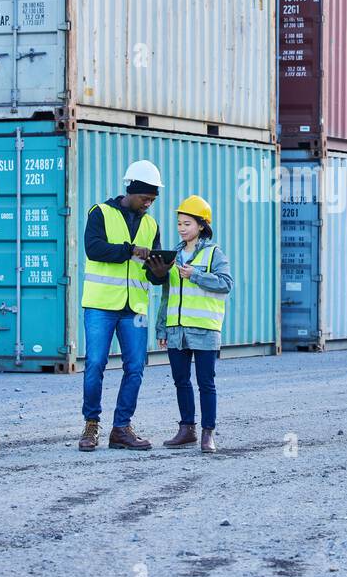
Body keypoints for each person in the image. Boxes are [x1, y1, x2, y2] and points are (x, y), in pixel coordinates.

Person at [79, 160, 171, 452]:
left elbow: (151, 274)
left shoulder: (151, 224)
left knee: (135, 367)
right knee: (95, 364)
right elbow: (93, 248)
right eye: (145, 199)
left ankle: (121, 428)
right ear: (131, 191)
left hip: (136, 308)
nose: (148, 205)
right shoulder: (100, 213)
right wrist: (130, 250)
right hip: (100, 305)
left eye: (153, 200)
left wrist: (159, 272)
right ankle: (91, 425)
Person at [156, 195, 233, 454]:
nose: (181, 228)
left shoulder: (214, 253)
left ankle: (207, 433)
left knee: (206, 382)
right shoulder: (173, 254)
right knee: (181, 381)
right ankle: (186, 429)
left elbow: (226, 284)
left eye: (187, 223)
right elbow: (167, 294)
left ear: (201, 225)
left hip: (204, 330)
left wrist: (196, 275)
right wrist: (162, 328)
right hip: (176, 330)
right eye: (179, 223)